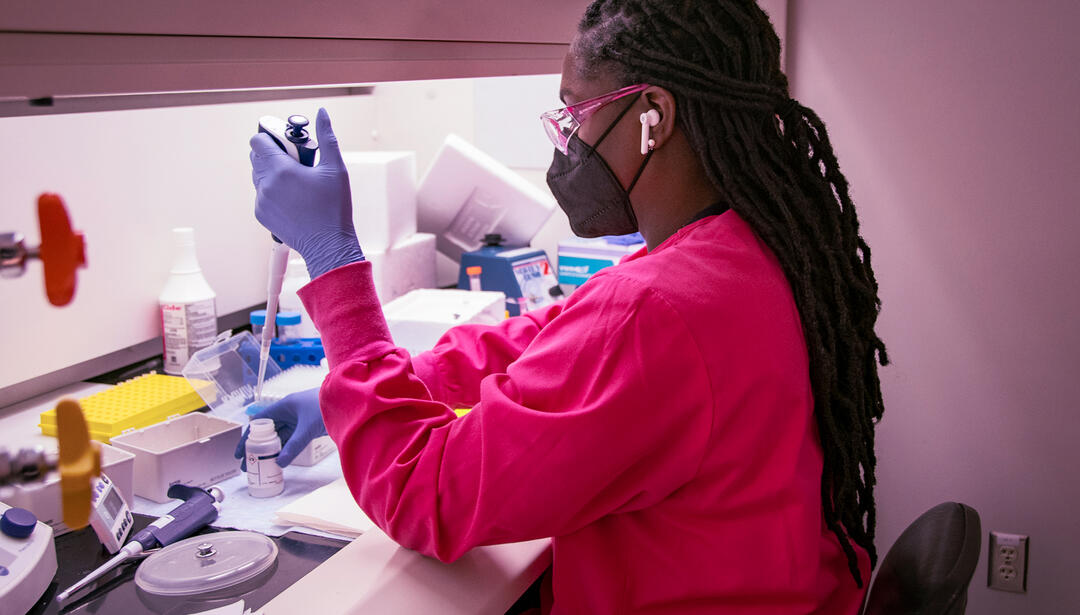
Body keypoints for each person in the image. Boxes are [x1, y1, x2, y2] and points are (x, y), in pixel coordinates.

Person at [245, 1, 888, 612]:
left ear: (652, 117)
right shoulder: (744, 245)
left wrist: (330, 256)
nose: (567, 141)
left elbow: (421, 495)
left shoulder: (655, 309)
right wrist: (390, 385)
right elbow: (551, 336)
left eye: (575, 114)